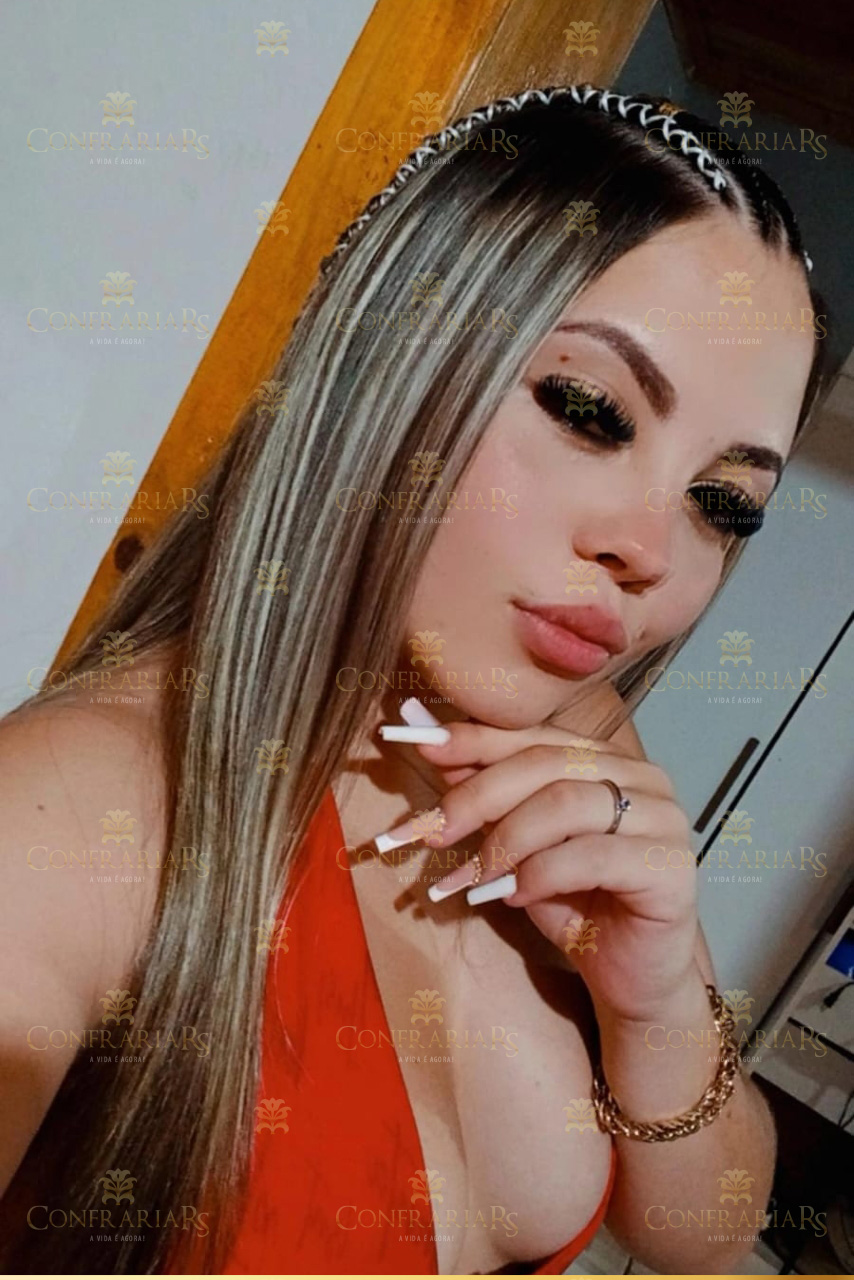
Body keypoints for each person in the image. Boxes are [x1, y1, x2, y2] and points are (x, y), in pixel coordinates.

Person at [0, 85, 825, 1275]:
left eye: (722, 502)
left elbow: (702, 1232)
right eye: (588, 408)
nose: (648, 547)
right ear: (384, 360)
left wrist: (650, 1004)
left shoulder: (582, 741)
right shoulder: (74, 816)